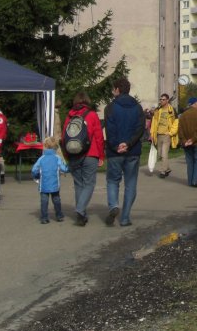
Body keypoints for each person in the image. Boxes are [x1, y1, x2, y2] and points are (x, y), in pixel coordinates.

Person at [104, 77, 145, 227]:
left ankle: (114, 205)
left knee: (113, 181)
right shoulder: (138, 107)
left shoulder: (110, 107)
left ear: (117, 90)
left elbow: (110, 129)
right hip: (133, 151)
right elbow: (140, 129)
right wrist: (128, 144)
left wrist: (116, 145)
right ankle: (125, 217)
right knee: (131, 183)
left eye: (113, 89)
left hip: (115, 152)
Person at [61, 91, 105, 226]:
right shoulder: (92, 115)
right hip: (90, 154)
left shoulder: (69, 116)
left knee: (79, 184)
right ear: (87, 101)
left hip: (74, 154)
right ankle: (80, 209)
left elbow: (64, 138)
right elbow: (98, 137)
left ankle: (81, 215)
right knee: (89, 184)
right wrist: (101, 155)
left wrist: (67, 156)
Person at [31, 137, 69, 223]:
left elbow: (34, 170)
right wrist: (68, 168)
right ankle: (59, 215)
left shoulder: (41, 158)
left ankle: (44, 218)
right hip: (55, 184)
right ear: (55, 147)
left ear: (45, 146)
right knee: (56, 200)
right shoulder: (57, 158)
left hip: (43, 184)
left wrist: (36, 176)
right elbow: (64, 169)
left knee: (44, 201)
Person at [178, 97, 197, 187]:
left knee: (190, 162)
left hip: (187, 143)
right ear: (195, 104)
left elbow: (180, 130)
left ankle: (190, 181)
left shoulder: (183, 115)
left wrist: (184, 140)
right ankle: (195, 181)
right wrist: (193, 139)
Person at [150, 93, 179, 178]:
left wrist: (171, 133)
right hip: (158, 134)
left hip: (167, 135)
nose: (161, 101)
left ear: (167, 100)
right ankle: (168, 168)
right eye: (160, 99)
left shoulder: (172, 110)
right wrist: (152, 133)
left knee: (164, 153)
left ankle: (163, 171)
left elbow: (176, 123)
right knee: (159, 154)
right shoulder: (158, 110)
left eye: (163, 99)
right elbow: (154, 122)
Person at [0, 106, 7, 184]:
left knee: (0, 159)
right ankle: (2, 175)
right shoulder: (2, 117)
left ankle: (2, 175)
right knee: (0, 159)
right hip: (0, 141)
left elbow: (0, 130)